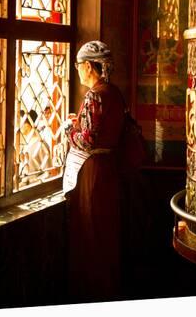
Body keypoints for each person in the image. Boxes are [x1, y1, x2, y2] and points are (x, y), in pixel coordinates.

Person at [63, 40, 125, 303]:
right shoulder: (114, 92)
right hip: (110, 168)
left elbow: (87, 140)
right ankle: (109, 287)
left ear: (89, 66)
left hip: (92, 171)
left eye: (79, 65)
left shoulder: (94, 95)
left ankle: (93, 292)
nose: (77, 70)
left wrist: (69, 128)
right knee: (107, 231)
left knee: (91, 230)